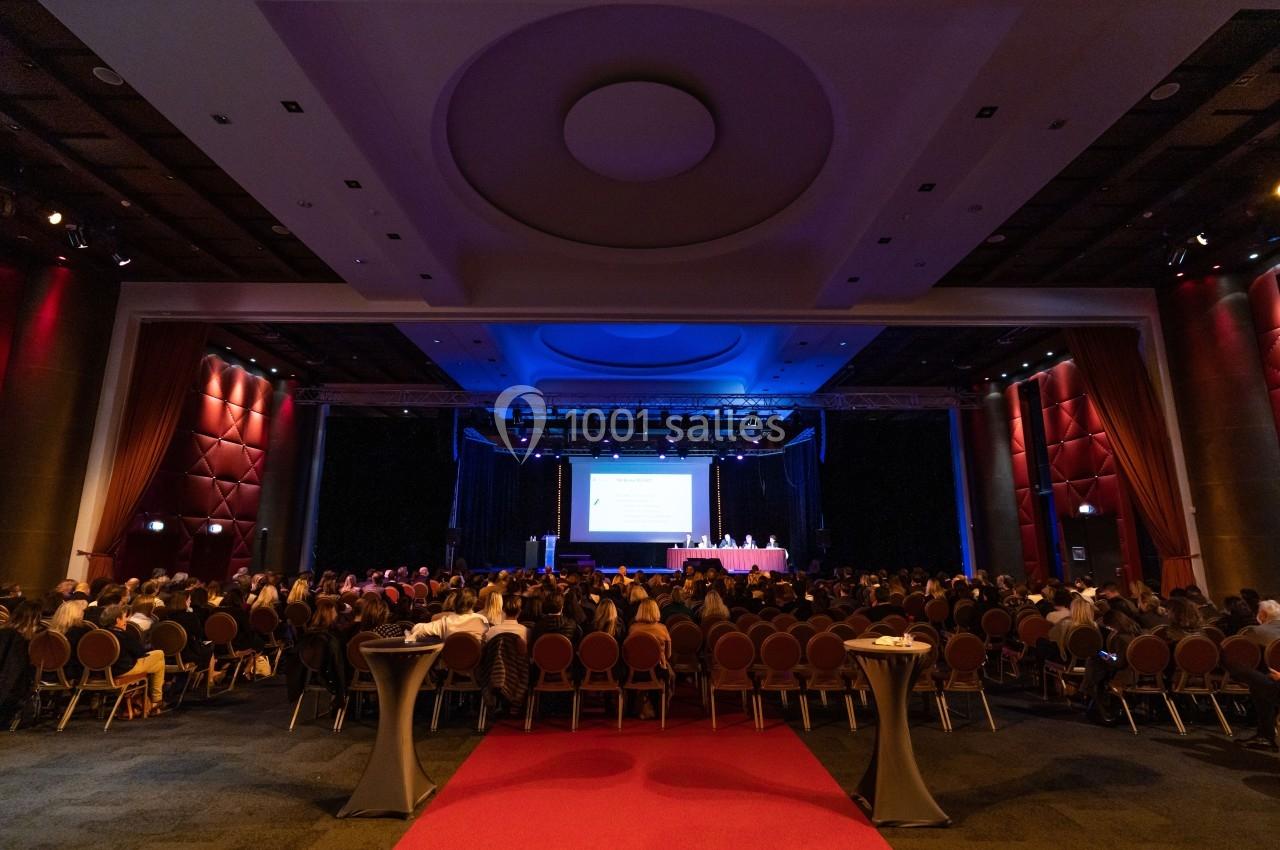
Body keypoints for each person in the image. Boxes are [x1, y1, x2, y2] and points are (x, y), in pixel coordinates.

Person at [1231, 599, 1280, 752]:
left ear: (1263, 615)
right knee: (1259, 683)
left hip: (1276, 686)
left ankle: (1265, 736)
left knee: (1235, 664)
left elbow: (1242, 653)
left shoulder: (1255, 632)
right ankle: (1265, 736)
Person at [105, 605, 166, 715]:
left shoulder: (99, 634)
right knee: (159, 654)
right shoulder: (123, 635)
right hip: (123, 670)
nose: (127, 620)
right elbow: (140, 653)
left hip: (102, 672)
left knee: (158, 665)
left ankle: (149, 701)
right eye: (124, 617)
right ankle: (156, 700)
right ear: (118, 620)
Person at [410, 588, 487, 641]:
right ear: (474, 603)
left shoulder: (445, 622)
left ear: (454, 602)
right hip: (477, 662)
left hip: (449, 662)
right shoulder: (482, 620)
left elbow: (416, 629)